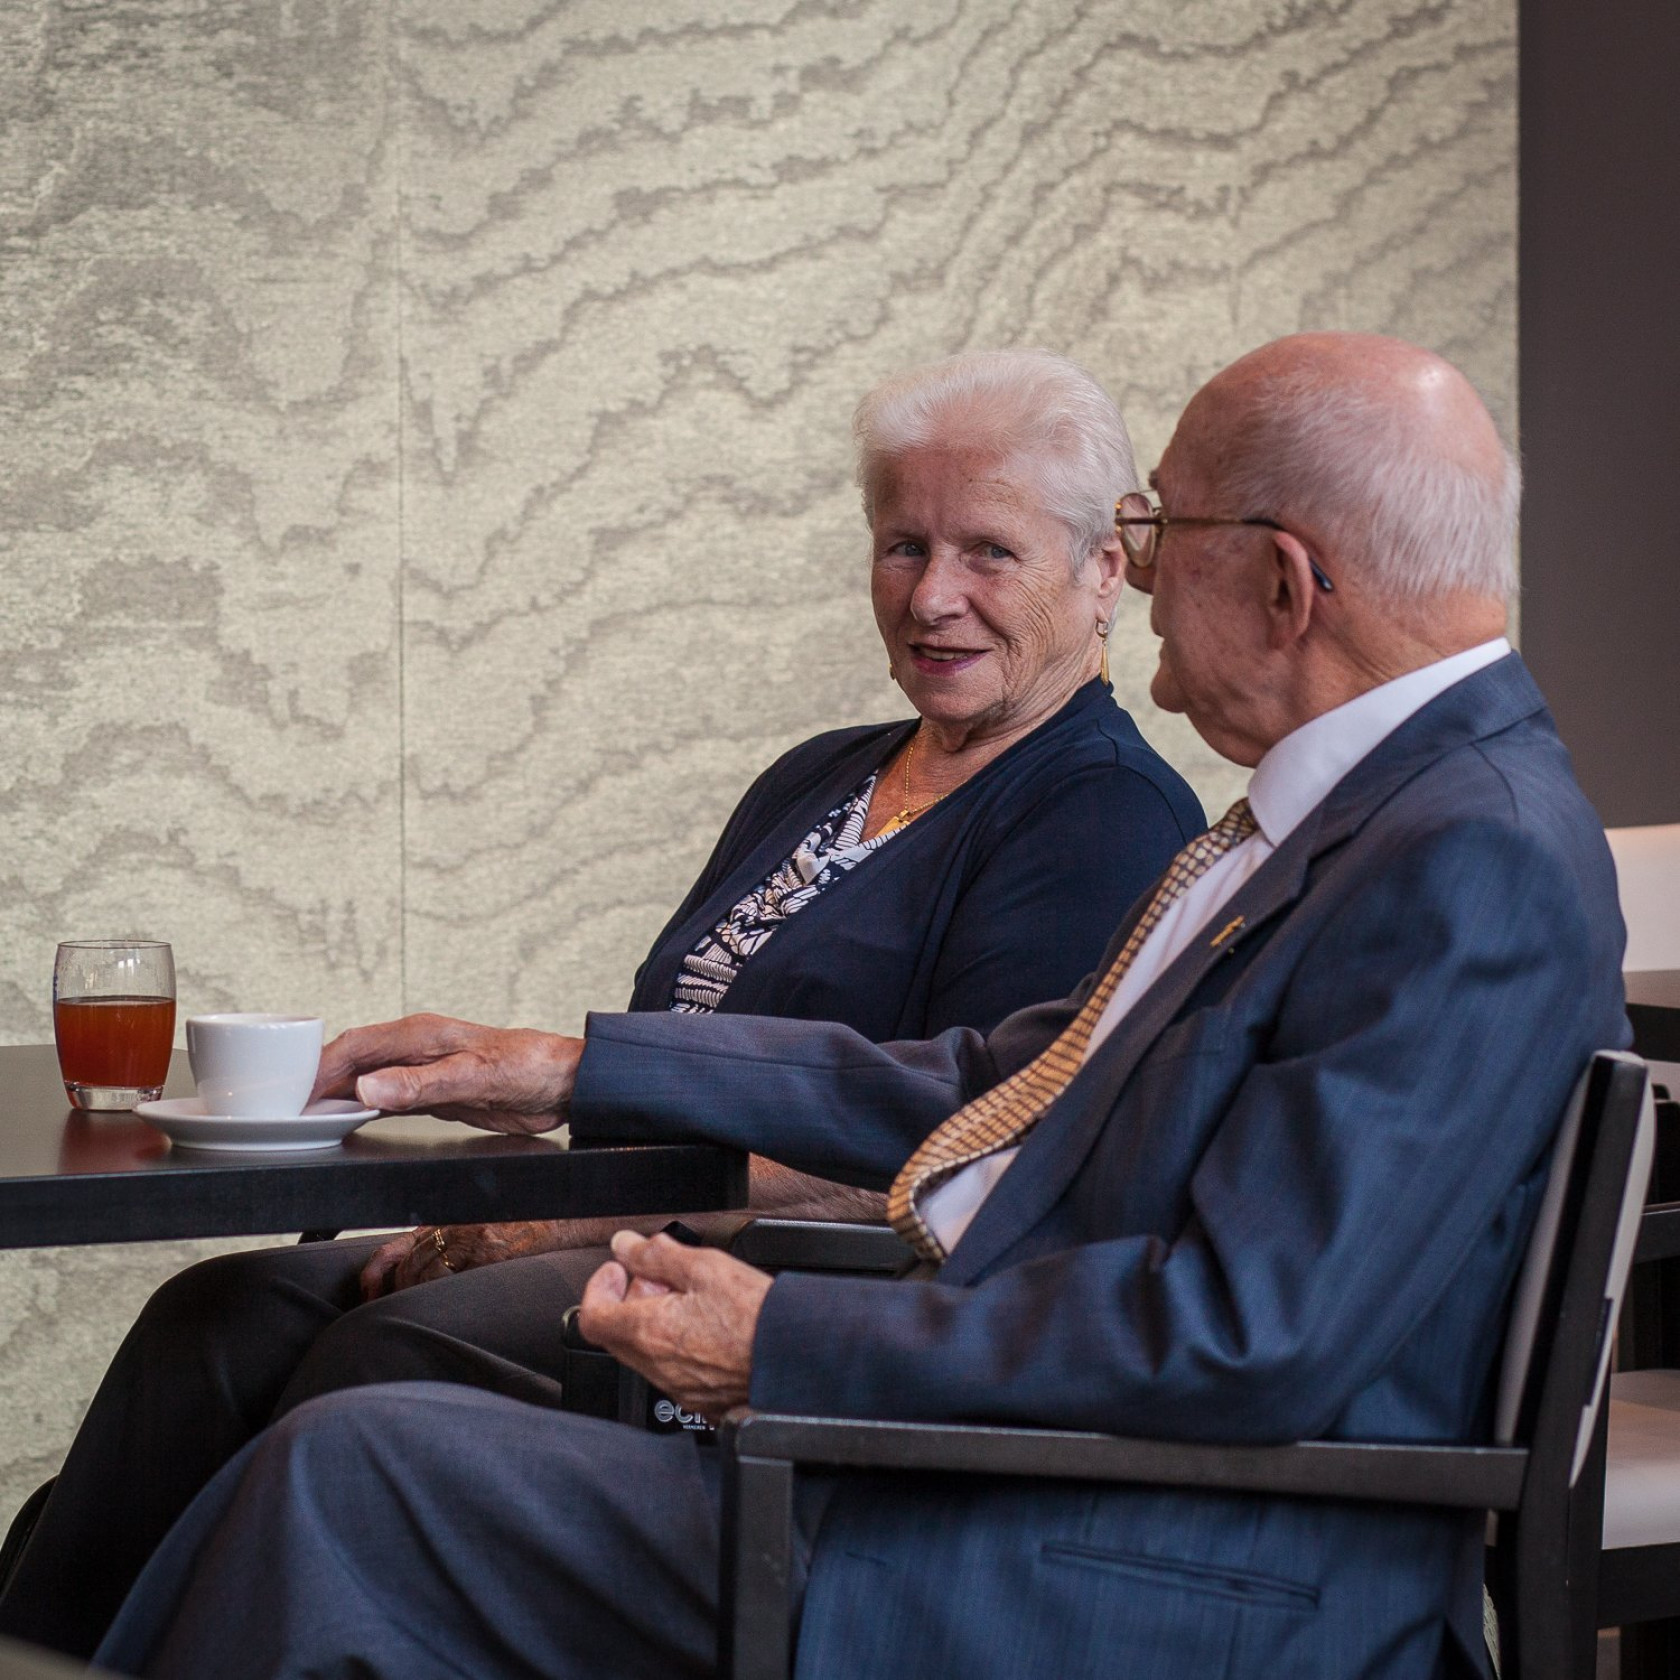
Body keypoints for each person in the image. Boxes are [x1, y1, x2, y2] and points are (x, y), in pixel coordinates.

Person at [95, 331, 1629, 1680]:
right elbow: (1005, 1080)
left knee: (355, 1479)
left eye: (1154, 530)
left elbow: (1249, 1332)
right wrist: (576, 1067)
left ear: (1284, 582)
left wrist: (793, 1339)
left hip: (1167, 1563)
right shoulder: (1383, 821)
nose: (1139, 571)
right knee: (337, 1446)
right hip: (1046, 1481)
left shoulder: (1463, 855)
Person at [0, 349, 1203, 1661]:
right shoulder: (821, 776)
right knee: (212, 1324)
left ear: (1104, 574)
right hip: (606, 1230)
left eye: (990, 552)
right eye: (901, 545)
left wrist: (566, 1220)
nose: (933, 597)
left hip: (764, 1289)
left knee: (385, 1360)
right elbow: (679, 1047)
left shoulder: (1100, 811)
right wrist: (505, 1153)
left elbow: (963, 1150)